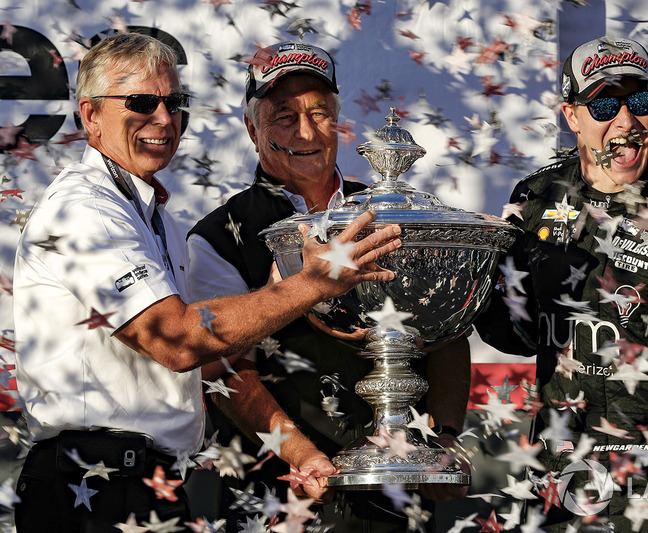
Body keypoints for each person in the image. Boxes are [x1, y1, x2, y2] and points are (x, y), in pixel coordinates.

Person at [11, 32, 403, 532]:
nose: (163, 118)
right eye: (141, 102)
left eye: (174, 103)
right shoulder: (86, 209)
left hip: (146, 484)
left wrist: (301, 454)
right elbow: (177, 341)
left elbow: (205, 364)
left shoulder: (153, 216)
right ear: (90, 116)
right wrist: (310, 285)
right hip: (94, 488)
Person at [475, 37, 648, 532]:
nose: (626, 121)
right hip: (558, 468)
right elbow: (515, 337)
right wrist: (477, 277)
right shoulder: (535, 197)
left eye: (641, 100)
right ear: (572, 114)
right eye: (605, 103)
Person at [186, 41, 471, 530]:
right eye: (283, 116)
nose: (306, 131)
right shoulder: (219, 236)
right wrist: (304, 456)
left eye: (319, 113)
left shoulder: (392, 215)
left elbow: (443, 334)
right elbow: (225, 372)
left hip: (396, 490)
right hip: (277, 492)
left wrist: (442, 442)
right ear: (252, 130)